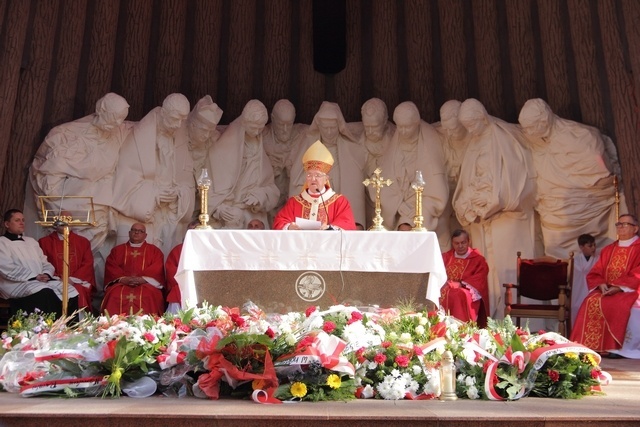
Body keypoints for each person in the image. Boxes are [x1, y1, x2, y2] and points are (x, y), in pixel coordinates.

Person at [29, 92, 131, 311]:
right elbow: (49, 174)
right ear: (100, 110)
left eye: (120, 120)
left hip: (98, 204)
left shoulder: (118, 132)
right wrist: (58, 203)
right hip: (70, 200)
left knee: (90, 252)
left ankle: (88, 297)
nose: (116, 124)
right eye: (113, 118)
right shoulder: (67, 134)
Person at [452, 98, 536, 318]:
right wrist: (467, 202)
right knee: (488, 272)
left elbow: (515, 177)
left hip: (505, 216)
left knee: (508, 269)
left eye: (473, 124)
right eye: (467, 127)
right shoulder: (474, 142)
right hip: (483, 218)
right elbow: (468, 178)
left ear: (483, 117)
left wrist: (492, 201)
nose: (471, 130)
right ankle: (491, 319)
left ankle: (517, 321)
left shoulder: (503, 137)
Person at [518, 98, 618, 258]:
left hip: (586, 206)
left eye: (532, 127)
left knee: (595, 258)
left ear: (545, 120)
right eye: (526, 129)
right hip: (554, 214)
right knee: (561, 262)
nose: (529, 133)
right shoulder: (535, 142)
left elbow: (600, 172)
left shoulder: (579, 135)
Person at [112, 93, 194, 257]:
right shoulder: (140, 138)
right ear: (163, 113)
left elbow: (186, 177)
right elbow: (125, 178)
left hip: (168, 212)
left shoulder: (178, 138)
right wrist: (154, 194)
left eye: (182, 120)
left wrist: (180, 193)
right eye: (174, 119)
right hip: (145, 210)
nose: (178, 125)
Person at [287, 102, 367, 228]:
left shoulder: (351, 149)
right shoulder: (308, 145)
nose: (329, 132)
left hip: (337, 210)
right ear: (319, 126)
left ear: (339, 126)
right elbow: (296, 179)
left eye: (332, 128)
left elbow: (355, 190)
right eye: (325, 128)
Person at [571, 214, 640, 358]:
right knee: (590, 301)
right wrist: (601, 283)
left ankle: (617, 348)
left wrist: (620, 287)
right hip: (607, 289)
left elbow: (637, 272)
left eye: (624, 224)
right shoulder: (609, 249)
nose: (620, 227)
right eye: (618, 224)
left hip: (631, 290)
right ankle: (590, 346)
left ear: (635, 228)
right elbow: (596, 271)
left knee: (619, 305)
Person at [207, 99, 279, 229]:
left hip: (255, 218)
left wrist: (260, 196)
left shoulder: (260, 151)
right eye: (253, 127)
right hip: (229, 217)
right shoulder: (220, 151)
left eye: (260, 128)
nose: (257, 132)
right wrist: (219, 209)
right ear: (244, 123)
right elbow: (207, 187)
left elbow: (272, 189)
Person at [379, 101, 448, 236]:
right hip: (400, 209)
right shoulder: (394, 147)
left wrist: (419, 208)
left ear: (416, 123)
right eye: (400, 127)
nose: (403, 132)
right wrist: (398, 205)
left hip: (426, 208)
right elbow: (385, 183)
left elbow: (436, 189)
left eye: (408, 127)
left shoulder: (429, 142)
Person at [0, 209, 79, 318]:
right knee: (45, 293)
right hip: (15, 283)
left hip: (39, 280)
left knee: (69, 290)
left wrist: (46, 274)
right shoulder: (2, 243)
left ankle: (69, 327)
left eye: (23, 220)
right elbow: (6, 268)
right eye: (17, 220)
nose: (22, 223)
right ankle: (47, 328)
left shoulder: (31, 241)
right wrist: (34, 276)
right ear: (7, 224)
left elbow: (45, 262)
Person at [273, 140, 356, 230]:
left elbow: (348, 225)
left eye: (317, 175)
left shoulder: (339, 202)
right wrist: (289, 227)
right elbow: (279, 222)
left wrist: (330, 228)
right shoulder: (294, 202)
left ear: (326, 179)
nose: (313, 179)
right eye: (309, 175)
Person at [101, 223, 166, 315]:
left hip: (146, 284)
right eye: (134, 230)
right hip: (122, 283)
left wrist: (143, 279)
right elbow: (111, 267)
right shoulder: (117, 250)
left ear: (145, 235)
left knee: (149, 295)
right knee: (114, 294)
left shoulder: (154, 251)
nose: (136, 233)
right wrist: (123, 279)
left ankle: (149, 325)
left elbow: (157, 269)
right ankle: (112, 324)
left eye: (140, 231)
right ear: (129, 233)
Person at [263, 100, 308, 223]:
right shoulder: (262, 137)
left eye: (289, 124)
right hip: (268, 202)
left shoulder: (301, 135)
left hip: (291, 198)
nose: (285, 129)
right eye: (281, 124)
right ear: (272, 119)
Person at [38, 217, 96, 314]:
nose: (65, 224)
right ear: (55, 224)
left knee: (79, 291)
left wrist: (72, 280)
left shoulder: (82, 242)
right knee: (48, 292)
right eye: (61, 221)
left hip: (76, 281)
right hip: (54, 280)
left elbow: (87, 263)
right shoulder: (44, 242)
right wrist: (58, 278)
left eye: (68, 220)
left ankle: (78, 325)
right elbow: (42, 263)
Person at [434, 100, 469, 249]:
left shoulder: (473, 137)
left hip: (467, 190)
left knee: (466, 226)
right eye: (446, 128)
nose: (449, 133)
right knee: (441, 226)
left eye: (453, 128)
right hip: (446, 188)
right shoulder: (439, 134)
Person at [439, 229, 490, 327]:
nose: (460, 246)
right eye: (457, 243)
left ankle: (462, 328)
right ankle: (440, 327)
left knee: (459, 294)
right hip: (446, 287)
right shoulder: (446, 257)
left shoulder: (478, 259)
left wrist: (461, 284)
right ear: (452, 243)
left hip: (466, 290)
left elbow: (480, 278)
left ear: (469, 241)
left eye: (463, 242)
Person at [359, 98, 396, 229]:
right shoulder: (357, 138)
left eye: (374, 127)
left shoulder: (396, 138)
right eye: (366, 126)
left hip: (391, 202)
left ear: (385, 121)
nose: (369, 131)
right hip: (365, 200)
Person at [164, 221, 199, 314]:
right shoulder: (178, 250)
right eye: (190, 231)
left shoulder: (209, 250)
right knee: (177, 293)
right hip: (181, 285)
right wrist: (186, 280)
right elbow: (171, 270)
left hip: (203, 284)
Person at [188, 95, 224, 176]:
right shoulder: (179, 138)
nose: (207, 135)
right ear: (192, 126)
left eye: (210, 131)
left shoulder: (212, 140)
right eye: (204, 130)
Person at [571, 234, 597, 326]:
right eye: (590, 246)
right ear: (581, 247)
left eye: (594, 245)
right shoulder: (575, 260)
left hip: (592, 292)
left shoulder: (598, 260)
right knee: (576, 309)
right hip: (578, 291)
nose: (593, 248)